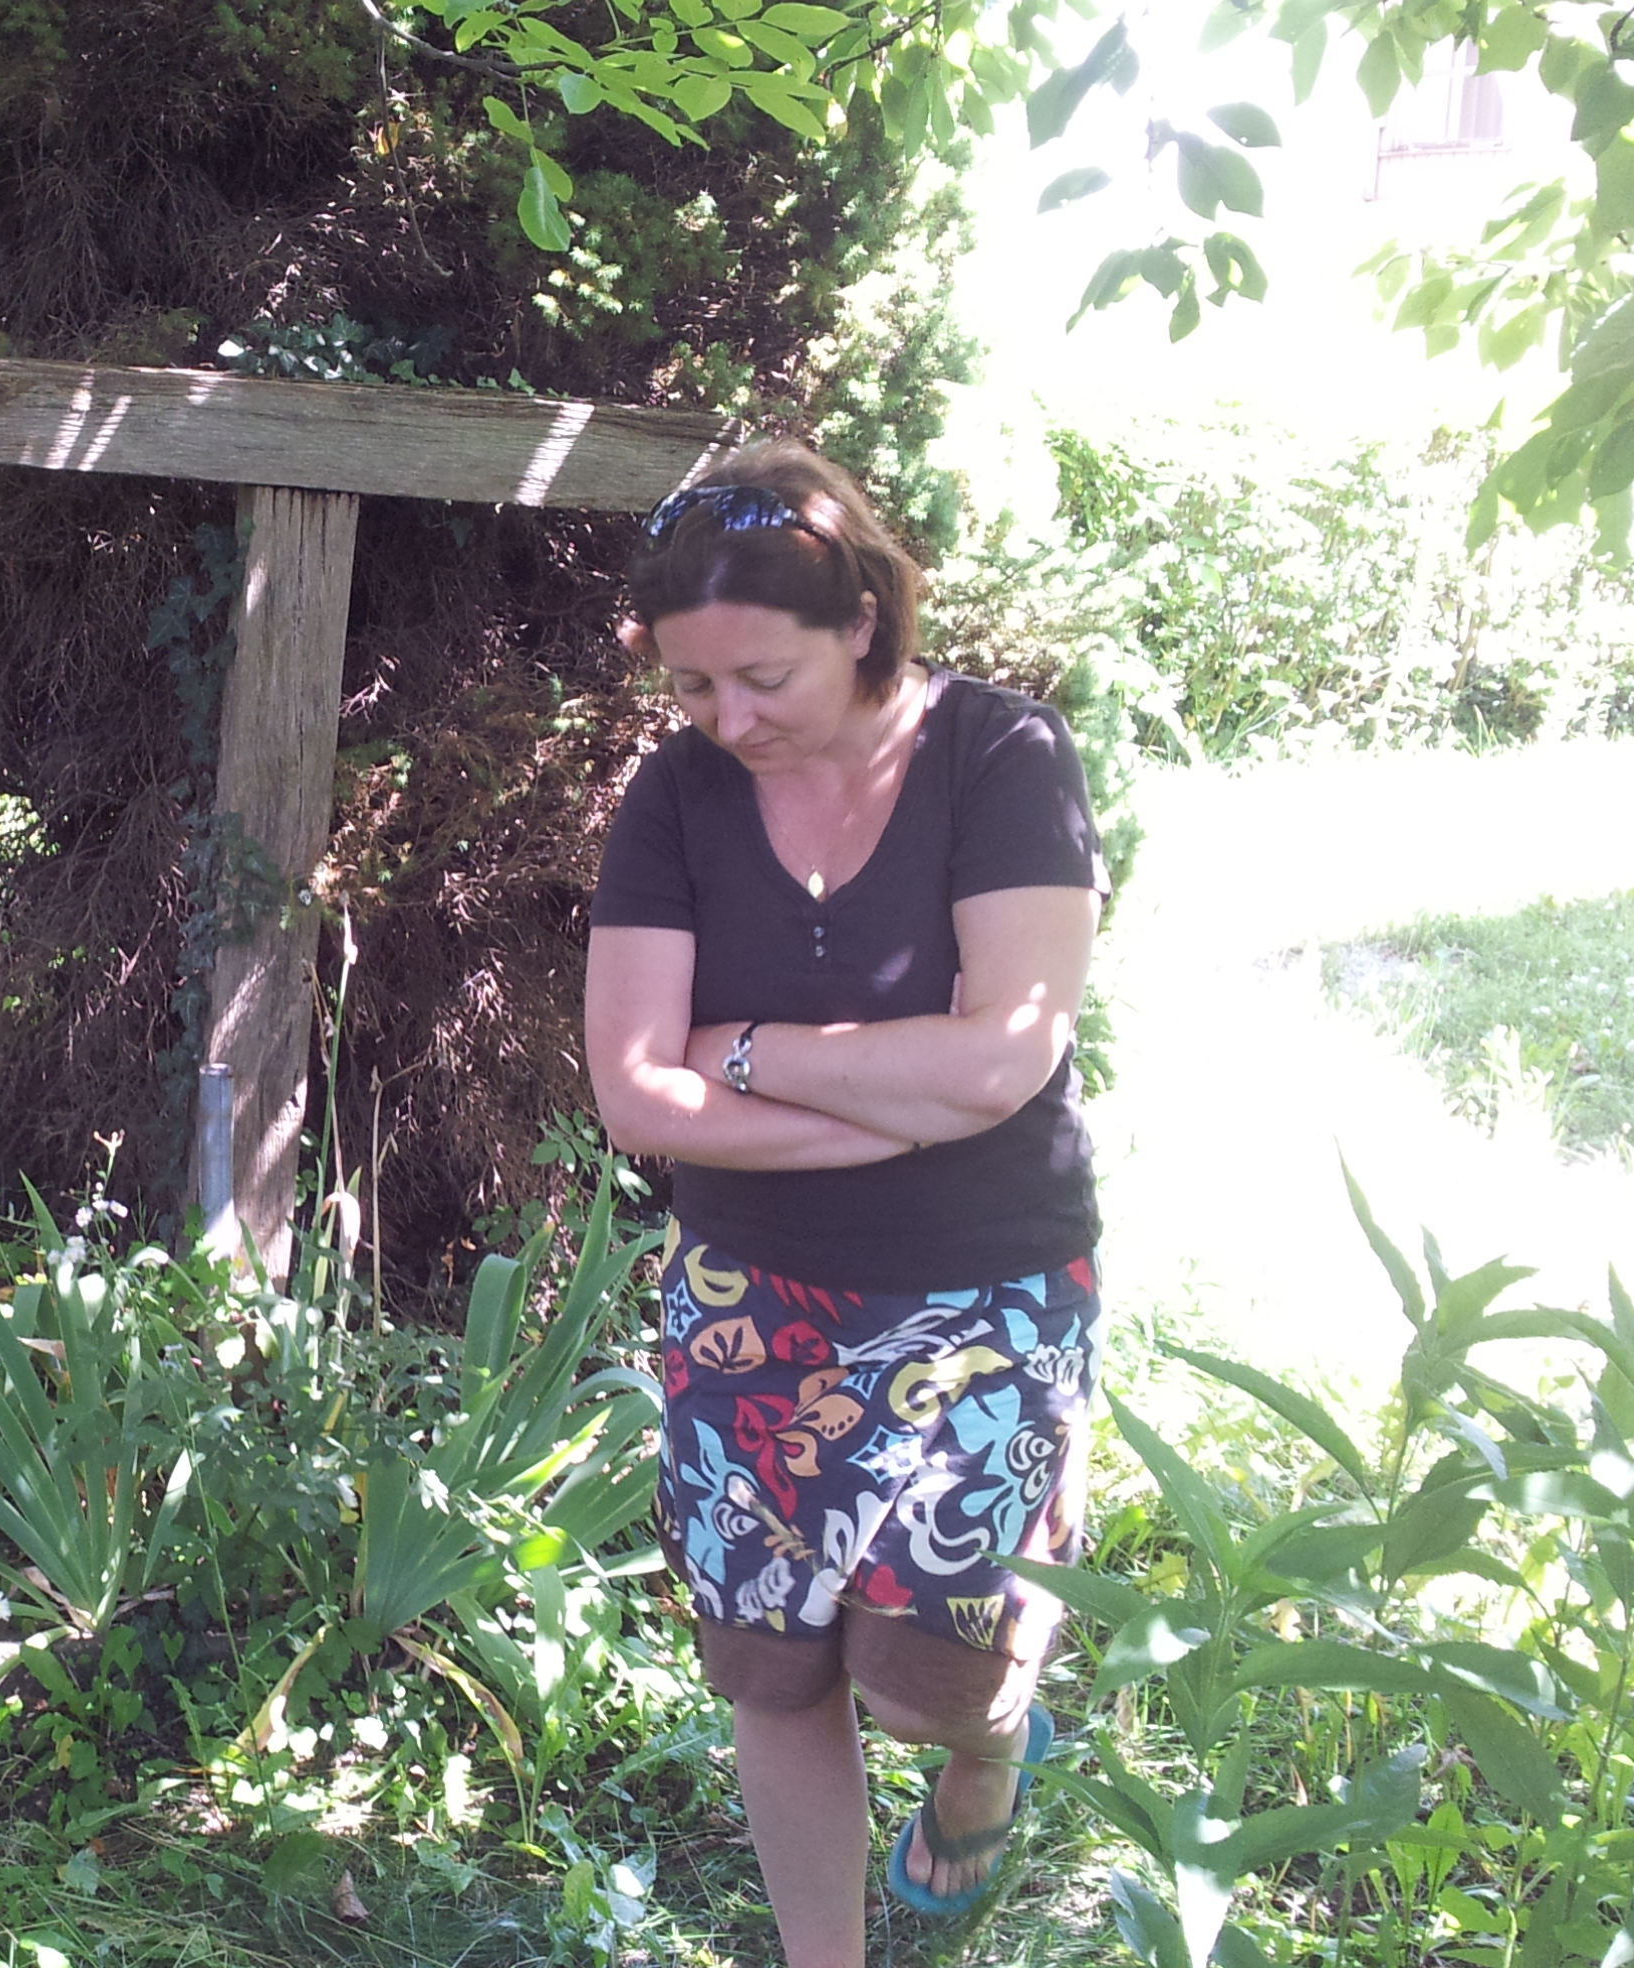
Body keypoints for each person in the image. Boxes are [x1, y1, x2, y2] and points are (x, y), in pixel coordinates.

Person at [582, 440, 1109, 1965]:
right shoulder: (677, 793)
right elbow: (635, 1096)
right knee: (775, 1675)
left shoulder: (1001, 757)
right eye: (693, 686)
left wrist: (745, 1054)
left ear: (862, 623)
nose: (727, 720)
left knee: (924, 1682)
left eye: (764, 678)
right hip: (750, 1295)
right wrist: (902, 1102)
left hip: (990, 1288)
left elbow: (1005, 1059)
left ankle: (986, 1758)